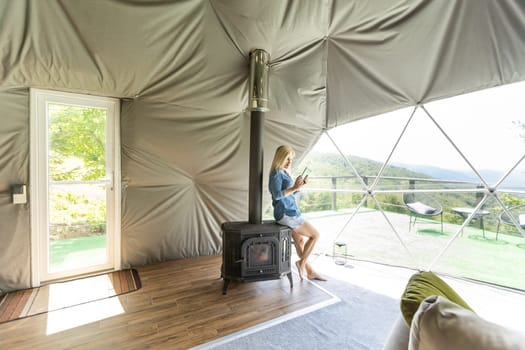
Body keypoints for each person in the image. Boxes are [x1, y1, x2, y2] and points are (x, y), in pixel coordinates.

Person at [268, 145, 326, 281]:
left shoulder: (283, 172)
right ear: (280, 158)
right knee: (315, 235)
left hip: (289, 211)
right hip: (287, 214)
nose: (289, 162)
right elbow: (277, 195)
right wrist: (294, 187)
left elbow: (290, 193)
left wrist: (299, 186)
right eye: (287, 159)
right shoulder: (276, 173)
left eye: (291, 159)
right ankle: (301, 263)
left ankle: (310, 272)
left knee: (300, 240)